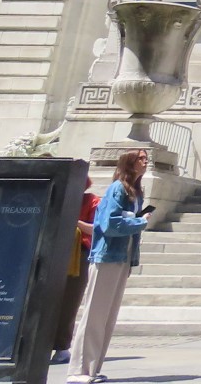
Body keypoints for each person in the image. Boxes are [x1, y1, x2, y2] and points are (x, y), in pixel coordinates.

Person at [67, 150, 149, 384]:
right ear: (129, 163)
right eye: (141, 159)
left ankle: (92, 368)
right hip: (107, 256)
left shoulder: (136, 193)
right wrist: (139, 222)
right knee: (94, 313)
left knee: (108, 316)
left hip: (123, 257)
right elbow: (109, 223)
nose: (145, 162)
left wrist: (137, 221)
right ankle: (78, 370)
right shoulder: (117, 189)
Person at [51, 176, 99, 365]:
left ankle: (62, 346)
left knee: (69, 302)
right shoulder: (55, 199)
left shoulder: (91, 201)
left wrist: (75, 222)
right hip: (53, 252)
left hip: (78, 255)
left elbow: (96, 229)